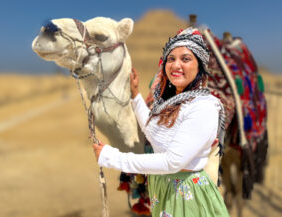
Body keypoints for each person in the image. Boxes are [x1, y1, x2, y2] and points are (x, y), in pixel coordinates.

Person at [93, 28, 229, 217]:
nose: (176, 65)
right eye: (171, 59)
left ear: (200, 66)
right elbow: (155, 133)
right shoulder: (174, 103)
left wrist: (112, 157)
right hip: (165, 192)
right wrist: (135, 96)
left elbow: (173, 161)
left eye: (186, 59)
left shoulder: (204, 106)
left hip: (186, 197)